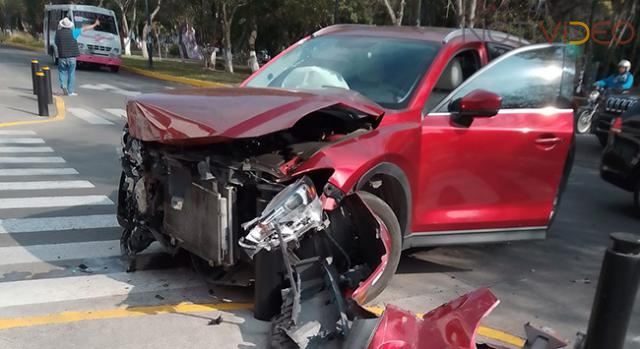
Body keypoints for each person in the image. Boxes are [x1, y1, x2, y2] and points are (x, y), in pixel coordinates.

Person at [54, 17, 99, 96]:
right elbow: (85, 28)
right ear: (70, 26)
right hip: (72, 57)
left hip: (62, 56)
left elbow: (56, 42)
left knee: (62, 72)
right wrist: (94, 24)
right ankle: (70, 91)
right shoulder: (74, 32)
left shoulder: (58, 33)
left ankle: (63, 85)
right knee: (71, 74)